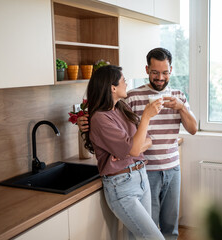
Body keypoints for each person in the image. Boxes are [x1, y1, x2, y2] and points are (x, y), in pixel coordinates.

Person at [79, 48, 197, 239]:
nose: (160, 77)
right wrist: (85, 123)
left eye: (165, 72)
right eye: (155, 72)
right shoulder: (130, 98)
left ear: (171, 70)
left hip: (166, 168)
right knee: (145, 233)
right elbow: (108, 124)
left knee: (168, 228)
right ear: (147, 69)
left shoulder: (177, 96)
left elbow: (193, 129)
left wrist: (181, 107)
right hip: (143, 171)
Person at [83, 64, 165, 240]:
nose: (126, 83)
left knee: (136, 237)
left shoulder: (122, 108)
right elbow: (136, 147)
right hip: (121, 185)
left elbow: (147, 140)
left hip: (141, 176)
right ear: (113, 88)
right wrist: (146, 118)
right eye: (123, 81)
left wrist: (127, 151)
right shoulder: (100, 118)